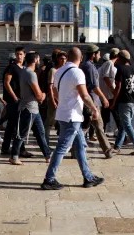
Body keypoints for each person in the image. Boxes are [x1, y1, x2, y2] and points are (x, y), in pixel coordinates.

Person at [41, 47, 104, 190]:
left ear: (68, 57)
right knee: (62, 147)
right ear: (80, 58)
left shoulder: (59, 71)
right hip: (72, 116)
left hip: (64, 114)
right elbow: (84, 95)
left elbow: (54, 91)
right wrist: (94, 109)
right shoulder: (77, 72)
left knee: (80, 145)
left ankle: (88, 177)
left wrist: (63, 102)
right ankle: (49, 179)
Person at [10, 52, 51, 165]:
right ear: (36, 60)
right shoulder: (30, 74)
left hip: (33, 108)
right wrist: (44, 95)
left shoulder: (24, 71)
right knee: (22, 134)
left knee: (40, 133)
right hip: (28, 108)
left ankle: (47, 155)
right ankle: (14, 156)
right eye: (39, 59)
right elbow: (38, 95)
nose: (39, 62)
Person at [80, 45, 114, 158]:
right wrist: (103, 97)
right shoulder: (89, 67)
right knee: (86, 127)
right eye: (98, 54)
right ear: (94, 54)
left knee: (97, 126)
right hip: (90, 101)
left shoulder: (89, 65)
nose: (99, 56)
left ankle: (107, 150)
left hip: (92, 100)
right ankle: (75, 150)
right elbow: (94, 86)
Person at [110, 50, 134, 155]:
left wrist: (114, 101)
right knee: (124, 125)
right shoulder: (133, 69)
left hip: (124, 101)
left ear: (120, 58)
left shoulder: (119, 69)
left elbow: (118, 86)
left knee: (127, 125)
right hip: (133, 100)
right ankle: (117, 146)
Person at [2, 47, 31, 157]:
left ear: (24, 55)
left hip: (21, 99)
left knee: (11, 125)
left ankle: (5, 147)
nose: (19, 56)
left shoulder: (23, 68)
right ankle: (21, 149)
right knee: (18, 125)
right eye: (17, 54)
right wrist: (14, 97)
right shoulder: (12, 67)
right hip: (14, 100)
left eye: (21, 54)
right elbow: (6, 83)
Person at [44, 49, 66, 143]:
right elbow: (50, 87)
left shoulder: (64, 70)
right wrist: (53, 100)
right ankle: (46, 142)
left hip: (63, 100)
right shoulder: (53, 70)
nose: (63, 61)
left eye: (65, 59)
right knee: (49, 122)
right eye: (61, 59)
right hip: (54, 99)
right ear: (57, 59)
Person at [99, 48, 121, 136]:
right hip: (110, 94)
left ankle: (103, 133)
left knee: (106, 116)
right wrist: (113, 89)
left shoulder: (108, 64)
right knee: (116, 115)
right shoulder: (109, 63)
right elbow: (106, 77)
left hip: (107, 94)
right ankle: (122, 135)